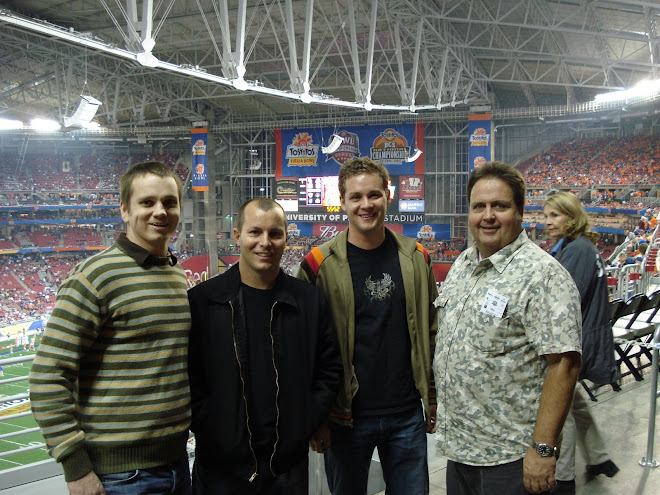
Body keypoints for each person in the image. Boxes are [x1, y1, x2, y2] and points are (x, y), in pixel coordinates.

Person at [29, 161, 192, 495]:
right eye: (147, 202)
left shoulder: (176, 274)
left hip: (177, 464)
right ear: (124, 209)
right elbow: (47, 377)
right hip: (120, 476)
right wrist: (77, 470)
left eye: (169, 202)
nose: (159, 211)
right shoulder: (94, 276)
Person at [433, 161, 582, 495]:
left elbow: (565, 365)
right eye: (478, 207)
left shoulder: (543, 276)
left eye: (499, 206)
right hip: (462, 450)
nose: (488, 215)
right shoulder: (463, 264)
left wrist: (543, 450)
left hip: (512, 456)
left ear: (519, 212)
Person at [297, 157, 438, 495]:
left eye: (373, 195)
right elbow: (304, 348)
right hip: (345, 419)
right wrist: (315, 416)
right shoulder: (318, 265)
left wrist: (431, 396)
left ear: (387, 196)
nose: (366, 205)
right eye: (356, 197)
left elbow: (432, 333)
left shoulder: (416, 257)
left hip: (405, 414)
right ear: (343, 201)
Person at [187, 198, 342, 494]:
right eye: (255, 232)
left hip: (286, 465)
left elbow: (329, 368)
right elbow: (190, 377)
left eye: (275, 233)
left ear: (286, 238)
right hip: (220, 468)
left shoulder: (309, 301)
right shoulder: (203, 302)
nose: (265, 242)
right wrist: (212, 430)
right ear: (237, 236)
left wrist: (304, 424)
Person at [543, 192, 619, 494]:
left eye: (555, 216)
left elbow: (561, 301)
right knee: (575, 402)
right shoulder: (580, 247)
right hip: (584, 337)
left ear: (571, 218)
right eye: (546, 215)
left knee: (560, 410)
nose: (547, 222)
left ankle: (563, 480)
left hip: (573, 342)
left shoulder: (578, 250)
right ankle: (600, 458)